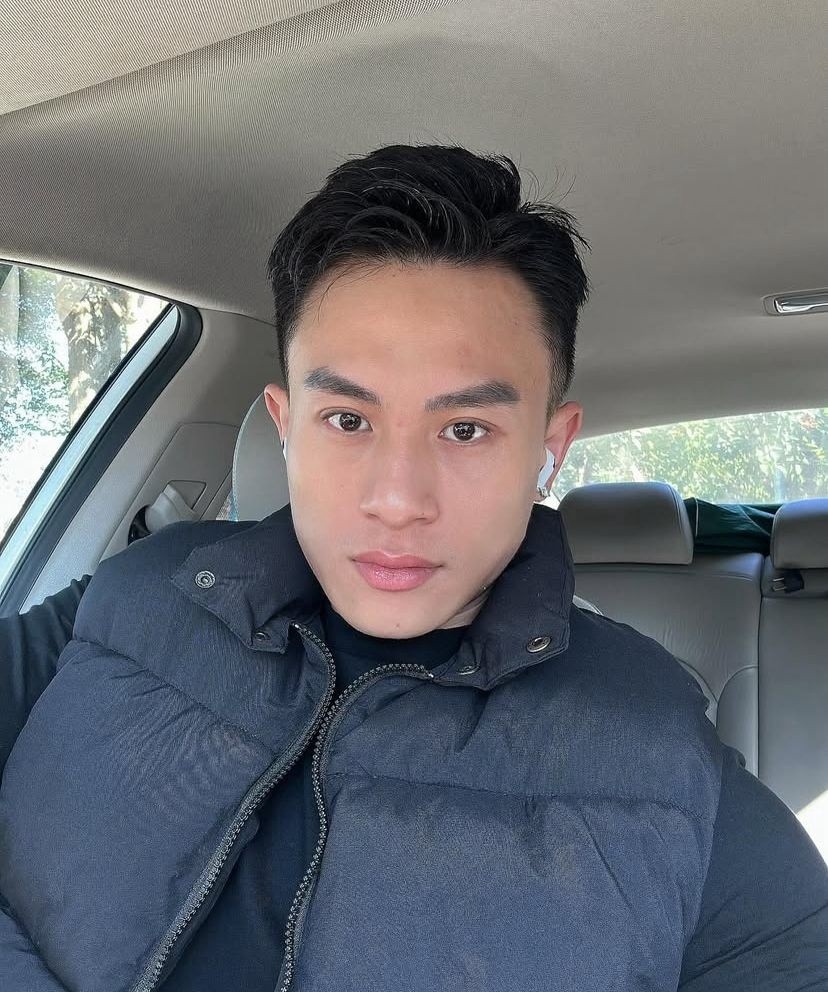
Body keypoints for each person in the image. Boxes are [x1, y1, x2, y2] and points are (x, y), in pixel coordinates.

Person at [0, 145, 826, 992]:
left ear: (549, 449)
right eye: (347, 420)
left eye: (465, 429)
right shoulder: (135, 592)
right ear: (285, 426)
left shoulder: (660, 753)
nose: (396, 500)